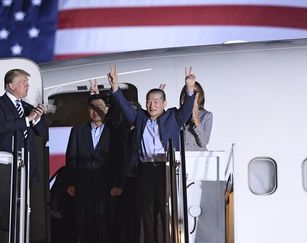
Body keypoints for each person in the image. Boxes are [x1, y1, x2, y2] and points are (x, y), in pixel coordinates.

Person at [107, 65, 196, 243]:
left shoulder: (173, 116)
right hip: (146, 171)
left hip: (167, 170)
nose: (151, 105)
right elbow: (124, 107)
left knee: (167, 213)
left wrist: (190, 89)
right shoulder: (140, 117)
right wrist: (115, 87)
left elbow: (187, 110)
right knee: (147, 214)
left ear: (164, 103)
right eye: (149, 101)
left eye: (156, 101)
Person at [0, 68, 48, 243]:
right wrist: (27, 119)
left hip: (27, 169)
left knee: (26, 211)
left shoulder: (27, 107)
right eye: (23, 83)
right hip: (5, 169)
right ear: (11, 85)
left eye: (28, 83)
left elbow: (42, 133)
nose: (27, 86)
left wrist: (37, 118)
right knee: (6, 210)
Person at [65, 94, 124, 243]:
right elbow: (71, 158)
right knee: (84, 227)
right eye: (92, 107)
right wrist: (71, 183)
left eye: (100, 107)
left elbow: (120, 160)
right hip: (82, 187)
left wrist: (118, 184)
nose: (95, 110)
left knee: (106, 228)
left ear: (107, 109)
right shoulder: (77, 131)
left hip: (107, 188)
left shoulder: (115, 131)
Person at [180, 81, 213, 150]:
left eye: (195, 92)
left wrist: (195, 118)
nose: (192, 95)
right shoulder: (177, 114)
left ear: (200, 95)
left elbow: (203, 142)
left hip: (197, 159)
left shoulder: (207, 116)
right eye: (188, 91)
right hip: (180, 158)